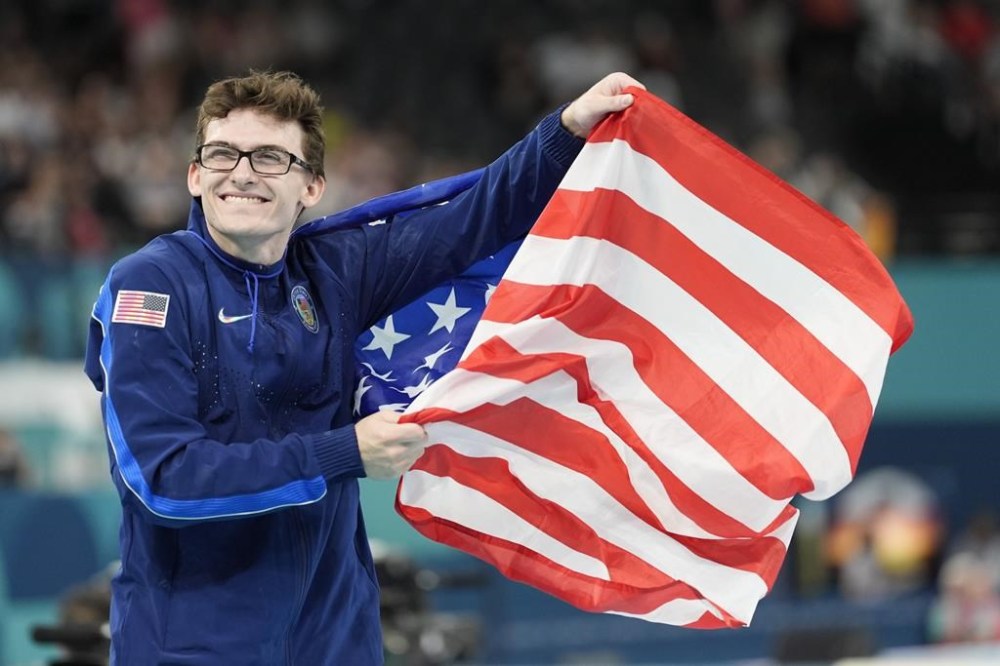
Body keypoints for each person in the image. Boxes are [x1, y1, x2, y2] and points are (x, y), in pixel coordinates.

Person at [84, 69, 643, 665]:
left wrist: (564, 132)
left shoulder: (332, 272)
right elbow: (163, 480)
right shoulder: (152, 286)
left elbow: (476, 217)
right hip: (191, 650)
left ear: (313, 187)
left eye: (271, 157)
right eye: (222, 153)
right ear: (195, 175)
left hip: (336, 642)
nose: (241, 173)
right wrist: (344, 453)